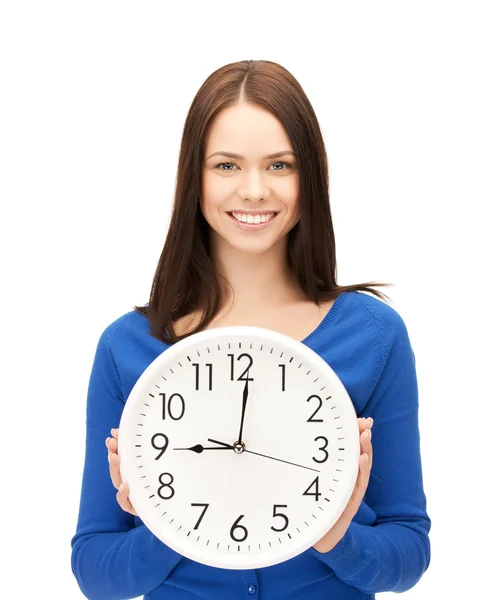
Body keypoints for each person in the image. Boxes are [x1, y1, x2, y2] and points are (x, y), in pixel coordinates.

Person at [71, 59, 431, 600]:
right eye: (226, 166)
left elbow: (408, 552)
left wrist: (336, 535)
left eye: (280, 165)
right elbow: (95, 570)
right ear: (194, 178)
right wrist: (169, 524)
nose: (256, 190)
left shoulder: (375, 335)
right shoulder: (128, 347)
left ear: (310, 175)